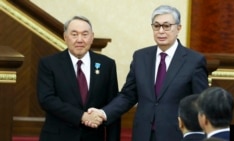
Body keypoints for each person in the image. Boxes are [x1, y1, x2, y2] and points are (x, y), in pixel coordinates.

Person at [86, 5, 208, 141]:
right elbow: (128, 95)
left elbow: (202, 103)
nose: (161, 31)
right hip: (143, 134)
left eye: (166, 26)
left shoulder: (194, 61)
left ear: (178, 28)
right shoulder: (140, 57)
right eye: (156, 26)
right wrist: (103, 113)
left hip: (176, 135)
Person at [37, 16, 120, 141]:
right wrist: (82, 116)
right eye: (74, 34)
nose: (80, 40)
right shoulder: (49, 63)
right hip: (58, 136)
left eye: (85, 34)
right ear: (65, 37)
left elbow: (113, 106)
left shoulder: (107, 65)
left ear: (92, 37)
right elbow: (47, 100)